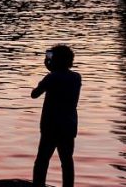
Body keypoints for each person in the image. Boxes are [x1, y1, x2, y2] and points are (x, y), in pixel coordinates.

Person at [32, 44, 81, 187]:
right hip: (68, 125)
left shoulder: (51, 77)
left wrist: (49, 72)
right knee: (67, 161)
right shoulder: (76, 77)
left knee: (42, 160)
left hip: (51, 126)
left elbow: (34, 94)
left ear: (55, 60)